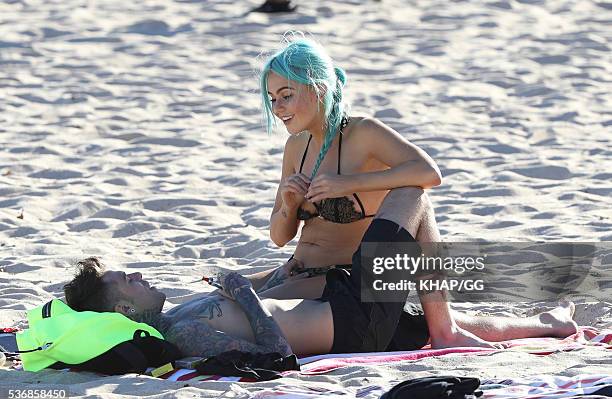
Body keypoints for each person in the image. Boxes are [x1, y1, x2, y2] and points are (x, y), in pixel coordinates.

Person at [248, 36, 497, 348]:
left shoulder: (362, 133)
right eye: (272, 99)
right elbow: (279, 237)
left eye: (286, 95)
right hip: (295, 270)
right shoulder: (296, 145)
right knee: (215, 297)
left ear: (319, 88)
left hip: (337, 280)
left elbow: (429, 174)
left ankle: (453, 327)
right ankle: (541, 323)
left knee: (242, 312)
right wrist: (288, 206)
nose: (278, 107)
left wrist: (349, 184)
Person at [63, 213, 578, 358]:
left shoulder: (181, 316)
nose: (135, 274)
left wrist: (284, 274)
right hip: (354, 324)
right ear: (125, 312)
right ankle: (445, 329)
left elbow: (260, 301)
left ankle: (546, 326)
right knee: (412, 195)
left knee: (429, 322)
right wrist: (241, 290)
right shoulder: (183, 338)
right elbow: (274, 354)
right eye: (123, 281)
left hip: (343, 308)